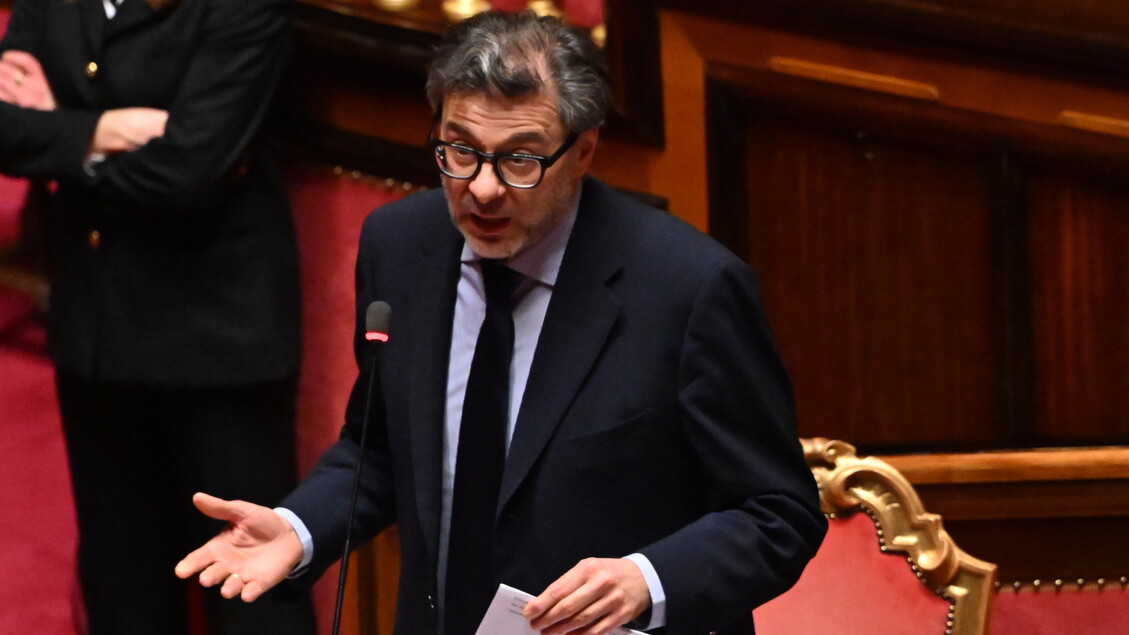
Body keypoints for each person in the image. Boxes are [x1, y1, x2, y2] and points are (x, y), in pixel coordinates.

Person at [176, 10, 826, 635]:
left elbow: (778, 512)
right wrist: (300, 528)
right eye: (460, 150)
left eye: (520, 159)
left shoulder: (687, 288)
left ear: (583, 151)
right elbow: (380, 446)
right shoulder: (399, 246)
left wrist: (645, 580)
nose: (483, 189)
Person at [0, 1, 315, 634]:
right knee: (123, 593)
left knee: (251, 603)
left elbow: (188, 169)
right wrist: (113, 128)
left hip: (216, 343)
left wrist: (59, 130)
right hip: (96, 331)